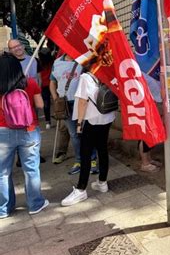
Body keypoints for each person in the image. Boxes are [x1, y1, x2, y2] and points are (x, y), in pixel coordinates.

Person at [0, 54, 48, 218]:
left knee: (3, 172)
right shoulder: (30, 83)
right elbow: (41, 105)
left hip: (2, 133)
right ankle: (35, 204)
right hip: (28, 130)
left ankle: (4, 209)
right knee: (31, 169)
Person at [61, 68, 116, 206]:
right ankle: (102, 182)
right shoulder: (108, 72)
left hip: (92, 119)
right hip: (107, 116)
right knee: (102, 149)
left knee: (85, 153)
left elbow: (82, 101)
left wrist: (79, 123)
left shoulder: (86, 77)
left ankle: (81, 189)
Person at [50, 54, 98, 174]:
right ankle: (79, 160)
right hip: (65, 104)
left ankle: (92, 159)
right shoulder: (57, 62)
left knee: (87, 132)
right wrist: (56, 98)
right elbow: (52, 82)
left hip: (82, 102)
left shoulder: (84, 60)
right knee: (74, 134)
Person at [38, 50, 54, 129]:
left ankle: (48, 122)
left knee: (46, 104)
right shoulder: (52, 64)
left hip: (44, 86)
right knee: (56, 102)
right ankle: (59, 117)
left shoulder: (40, 65)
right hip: (53, 84)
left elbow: (39, 78)